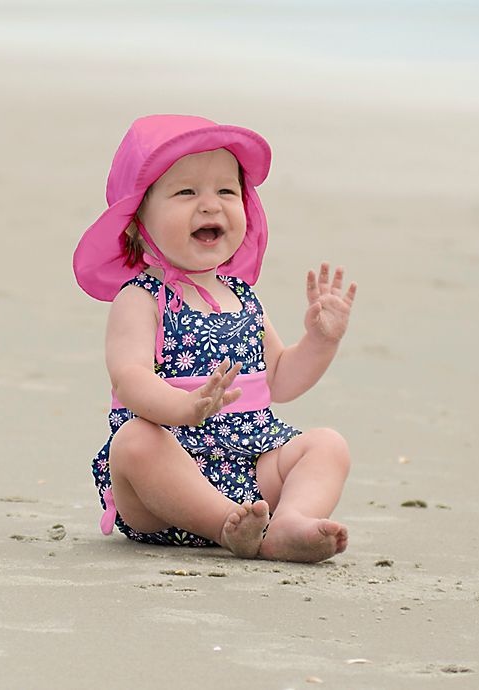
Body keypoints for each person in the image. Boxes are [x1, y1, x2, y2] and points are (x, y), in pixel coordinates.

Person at [73, 114, 356, 563]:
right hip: (164, 487)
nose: (210, 205)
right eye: (186, 192)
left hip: (252, 468)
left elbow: (279, 380)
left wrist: (321, 341)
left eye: (226, 191)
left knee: (327, 445)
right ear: (135, 220)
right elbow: (129, 378)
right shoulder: (143, 297)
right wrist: (185, 408)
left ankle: (287, 523)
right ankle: (224, 524)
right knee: (134, 442)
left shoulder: (241, 296)